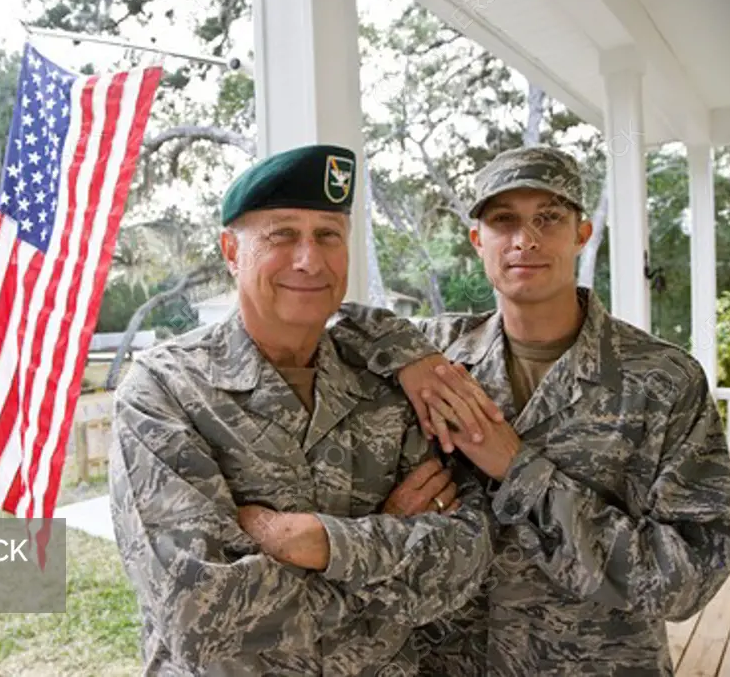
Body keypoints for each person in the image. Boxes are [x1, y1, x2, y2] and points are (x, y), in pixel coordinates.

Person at [332, 145, 730, 675]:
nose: (525, 239)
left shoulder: (661, 381)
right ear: (477, 239)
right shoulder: (439, 356)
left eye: (548, 218)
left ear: (581, 234)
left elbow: (691, 573)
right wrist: (408, 358)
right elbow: (316, 319)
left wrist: (519, 470)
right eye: (503, 220)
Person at [108, 143, 496, 676]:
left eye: (328, 236)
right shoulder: (165, 392)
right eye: (282, 234)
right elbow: (201, 617)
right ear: (229, 250)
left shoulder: (390, 385)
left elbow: (464, 560)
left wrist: (317, 542)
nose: (309, 259)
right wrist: (384, 543)